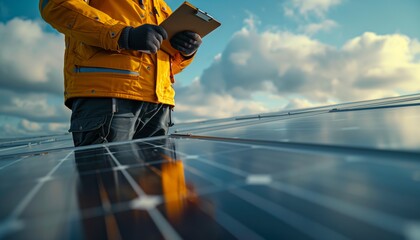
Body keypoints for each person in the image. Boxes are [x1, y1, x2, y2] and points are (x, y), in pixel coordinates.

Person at [39, 0, 202, 146]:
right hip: (107, 97)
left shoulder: (161, 7)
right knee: (109, 177)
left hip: (158, 106)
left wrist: (186, 54)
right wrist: (123, 34)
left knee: (157, 177)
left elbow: (171, 68)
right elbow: (56, 5)